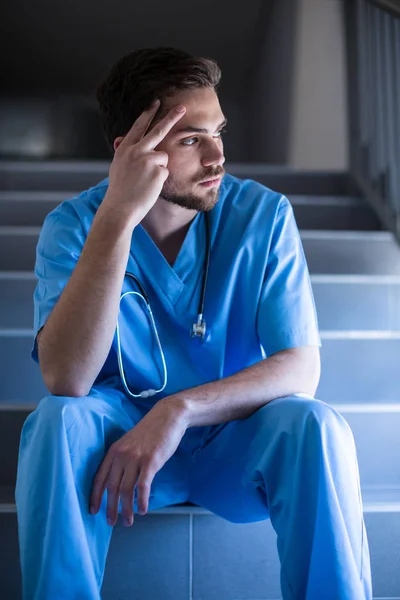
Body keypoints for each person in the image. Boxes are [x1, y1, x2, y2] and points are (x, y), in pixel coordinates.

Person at [15, 47, 372, 599]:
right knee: (56, 420)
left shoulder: (262, 215)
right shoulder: (74, 225)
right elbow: (66, 379)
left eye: (218, 133)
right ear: (132, 151)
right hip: (120, 452)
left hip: (233, 443)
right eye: (191, 140)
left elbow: (300, 366)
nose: (217, 158)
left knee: (316, 425)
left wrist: (178, 410)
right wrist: (116, 218)